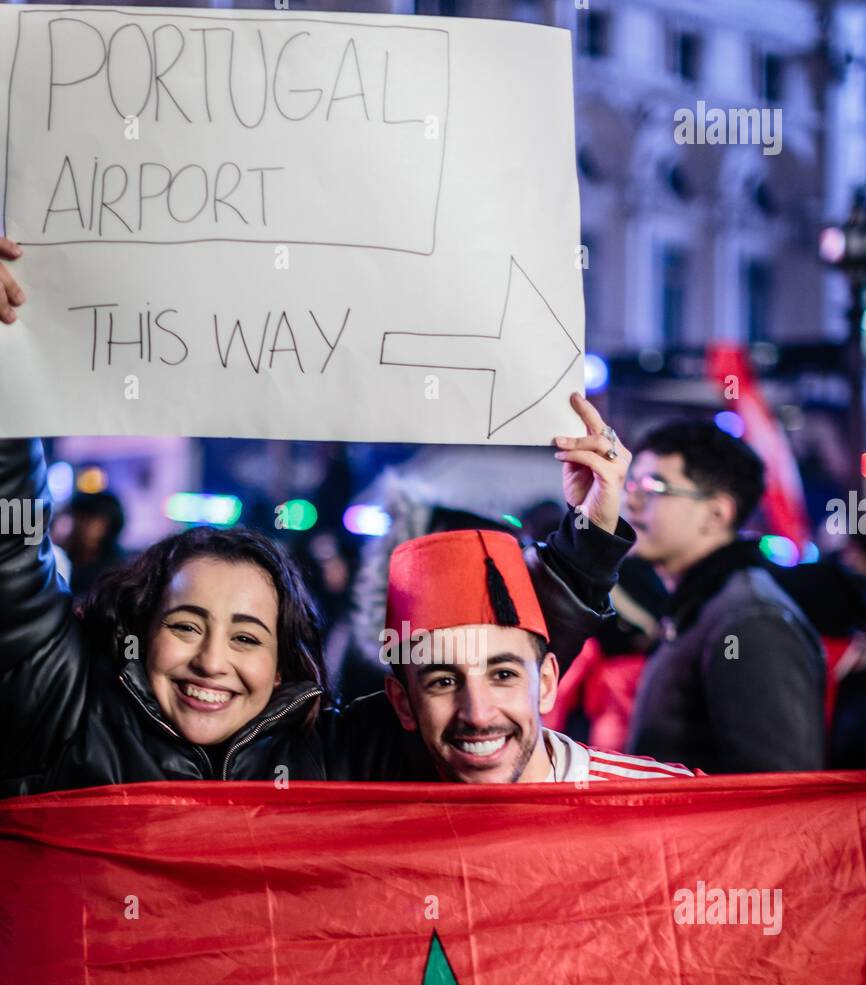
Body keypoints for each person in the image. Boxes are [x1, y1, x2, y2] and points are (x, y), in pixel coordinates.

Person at [0, 238, 636, 795]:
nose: (213, 662)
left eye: (248, 637)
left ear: (281, 669)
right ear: (139, 631)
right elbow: (12, 560)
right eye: (187, 626)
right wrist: (9, 370)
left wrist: (589, 540)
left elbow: (488, 667)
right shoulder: (65, 709)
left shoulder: (328, 758)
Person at [382, 527, 693, 784]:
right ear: (403, 704)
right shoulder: (377, 831)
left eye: (503, 675)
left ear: (546, 683)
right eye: (444, 682)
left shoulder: (666, 805)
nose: (477, 714)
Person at [622, 422, 825, 773]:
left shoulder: (752, 621)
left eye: (654, 487)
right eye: (631, 484)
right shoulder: (702, 605)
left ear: (717, 513)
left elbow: (780, 792)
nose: (631, 501)